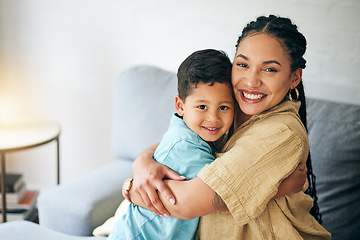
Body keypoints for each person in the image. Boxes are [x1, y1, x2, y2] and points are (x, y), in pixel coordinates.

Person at [126, 15, 331, 239]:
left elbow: (186, 203)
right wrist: (143, 162)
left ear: (294, 77)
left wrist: (132, 189)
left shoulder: (282, 132)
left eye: (269, 69)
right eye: (243, 65)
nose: (251, 81)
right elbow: (179, 141)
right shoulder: (227, 110)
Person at [108, 49, 235, 240]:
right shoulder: (186, 145)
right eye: (202, 107)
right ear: (180, 106)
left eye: (223, 107)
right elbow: (222, 192)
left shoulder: (185, 131)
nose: (213, 118)